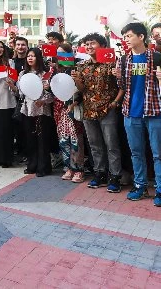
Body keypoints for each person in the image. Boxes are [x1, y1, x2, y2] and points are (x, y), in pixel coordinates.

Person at [115, 22, 161, 205]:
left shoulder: (156, 57)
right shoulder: (123, 60)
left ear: (141, 37)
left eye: (129, 36)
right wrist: (117, 76)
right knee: (136, 152)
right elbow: (123, 87)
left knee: (158, 154)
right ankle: (140, 186)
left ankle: (159, 189)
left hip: (154, 112)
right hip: (131, 113)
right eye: (124, 37)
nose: (126, 40)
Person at [72, 32, 123, 192]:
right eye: (86, 44)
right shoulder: (81, 66)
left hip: (108, 109)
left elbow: (122, 85)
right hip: (89, 110)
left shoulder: (112, 62)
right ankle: (100, 173)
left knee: (111, 144)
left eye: (92, 43)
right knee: (95, 145)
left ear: (102, 45)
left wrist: (115, 102)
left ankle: (115, 176)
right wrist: (77, 80)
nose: (89, 46)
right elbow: (81, 89)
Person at [19, 48, 55, 176]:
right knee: (30, 139)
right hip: (27, 110)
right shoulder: (23, 73)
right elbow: (20, 92)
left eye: (33, 56)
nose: (30, 58)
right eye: (28, 56)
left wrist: (43, 101)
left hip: (42, 110)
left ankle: (43, 167)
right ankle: (32, 165)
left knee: (42, 140)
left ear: (38, 58)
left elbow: (52, 95)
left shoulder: (45, 74)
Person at [54, 43, 85, 183]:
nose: (61, 56)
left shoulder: (77, 68)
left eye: (63, 53)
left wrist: (74, 103)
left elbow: (83, 91)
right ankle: (68, 167)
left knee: (76, 140)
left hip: (73, 109)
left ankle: (79, 169)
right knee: (63, 140)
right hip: (60, 110)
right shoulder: (57, 70)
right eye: (58, 54)